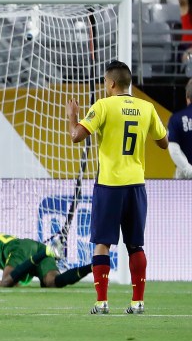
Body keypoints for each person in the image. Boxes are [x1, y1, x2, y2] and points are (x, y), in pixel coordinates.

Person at [67, 60, 169, 315]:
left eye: (105, 82)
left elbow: (76, 136)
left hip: (110, 185)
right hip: (136, 184)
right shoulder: (146, 108)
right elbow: (164, 143)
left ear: (110, 83)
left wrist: (72, 116)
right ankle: (138, 302)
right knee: (135, 245)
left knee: (102, 243)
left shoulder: (103, 105)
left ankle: (101, 302)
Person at [0, 227, 92, 288]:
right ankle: (94, 265)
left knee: (6, 282)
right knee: (52, 282)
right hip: (34, 246)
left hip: (18, 249)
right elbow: (18, 284)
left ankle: (48, 251)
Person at [167, 80, 192, 178]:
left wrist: (189, 170)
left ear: (187, 97)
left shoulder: (176, 119)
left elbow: (174, 150)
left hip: (184, 177)